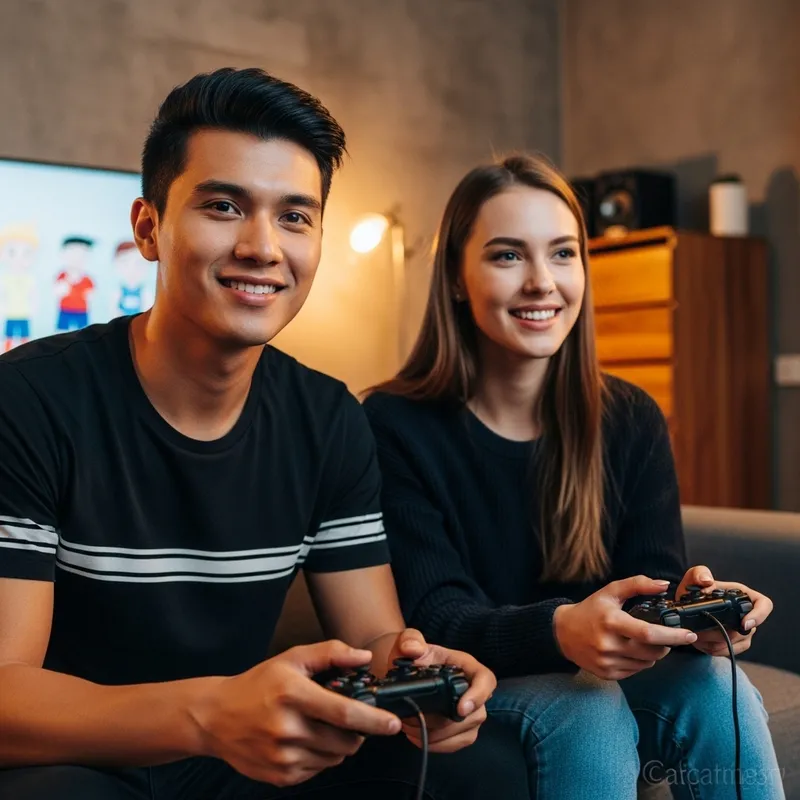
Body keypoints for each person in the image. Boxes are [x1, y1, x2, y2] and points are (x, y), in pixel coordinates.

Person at [0, 69, 530, 800]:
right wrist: (210, 714)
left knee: (481, 770)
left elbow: (373, 640)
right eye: (224, 207)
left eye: (295, 217)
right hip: (79, 759)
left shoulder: (328, 418)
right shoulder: (29, 400)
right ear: (148, 228)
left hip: (240, 761)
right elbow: (5, 693)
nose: (262, 246)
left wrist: (417, 674)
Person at [363, 153, 783, 799]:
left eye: (563, 254)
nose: (542, 282)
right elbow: (433, 617)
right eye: (508, 256)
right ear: (455, 278)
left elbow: (649, 581)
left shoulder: (629, 417)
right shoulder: (392, 424)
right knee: (586, 707)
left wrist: (694, 617)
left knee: (713, 683)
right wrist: (561, 631)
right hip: (480, 689)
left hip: (601, 682)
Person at [54, 235, 95, 331]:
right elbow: (57, 291)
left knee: (83, 332)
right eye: (73, 253)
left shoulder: (87, 279)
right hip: (65, 309)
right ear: (63, 255)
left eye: (81, 254)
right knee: (62, 332)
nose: (76, 258)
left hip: (82, 311)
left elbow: (91, 294)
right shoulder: (62, 276)